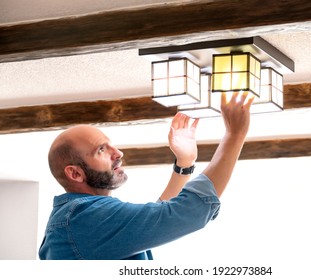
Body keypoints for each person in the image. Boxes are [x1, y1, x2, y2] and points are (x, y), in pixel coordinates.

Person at [39, 91, 254, 260]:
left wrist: (185, 164)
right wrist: (235, 135)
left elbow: (160, 215)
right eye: (102, 150)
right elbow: (188, 212)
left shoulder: (83, 219)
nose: (119, 153)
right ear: (75, 173)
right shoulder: (84, 218)